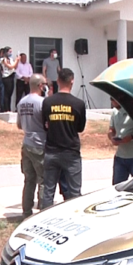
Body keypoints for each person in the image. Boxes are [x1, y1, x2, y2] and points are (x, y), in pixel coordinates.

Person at [40, 68, 87, 209]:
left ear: (58, 81)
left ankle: (44, 218)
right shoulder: (78, 104)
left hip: (51, 151)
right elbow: (80, 128)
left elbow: (45, 125)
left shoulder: (48, 102)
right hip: (71, 152)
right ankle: (74, 217)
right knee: (74, 191)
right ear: (72, 81)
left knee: (48, 191)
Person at [17, 74, 48, 217]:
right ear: (41, 86)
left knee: (29, 180)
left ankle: (26, 211)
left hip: (26, 143)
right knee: (43, 179)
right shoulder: (42, 102)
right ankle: (43, 211)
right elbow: (48, 124)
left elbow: (19, 125)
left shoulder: (21, 102)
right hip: (40, 144)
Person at [0, 47, 19, 112]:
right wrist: (16, 60)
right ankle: (6, 109)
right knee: (7, 94)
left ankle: (9, 108)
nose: (11, 53)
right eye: (9, 52)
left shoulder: (10, 59)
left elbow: (15, 67)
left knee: (10, 93)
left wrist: (17, 61)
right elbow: (10, 67)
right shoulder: (3, 59)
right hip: (6, 77)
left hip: (11, 76)